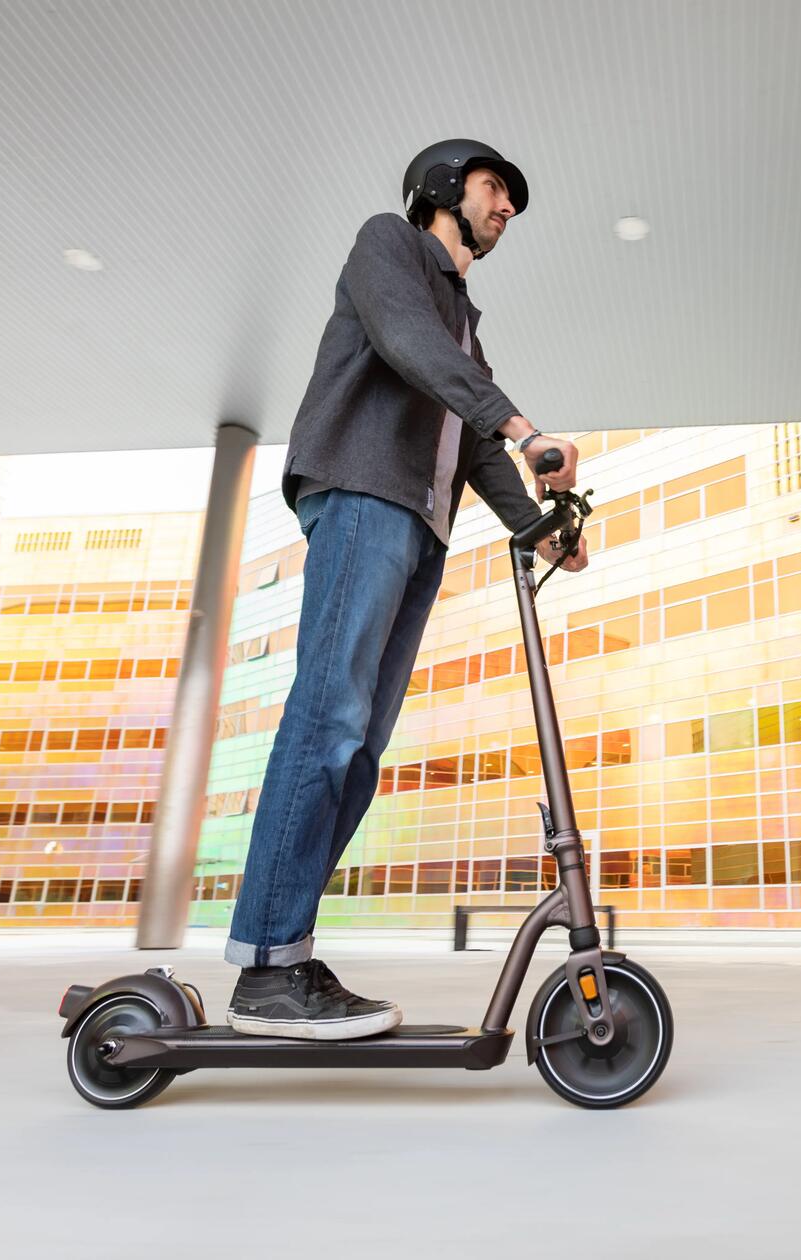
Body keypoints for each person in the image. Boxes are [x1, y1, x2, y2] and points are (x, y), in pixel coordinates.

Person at [224, 140, 586, 1039]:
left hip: (418, 529)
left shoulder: (463, 322)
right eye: (494, 188)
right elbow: (408, 344)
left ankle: (288, 957)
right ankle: (265, 967)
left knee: (360, 748)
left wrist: (542, 528)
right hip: (361, 497)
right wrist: (523, 423)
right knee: (329, 720)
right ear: (442, 188)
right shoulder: (388, 244)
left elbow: (472, 444)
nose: (506, 208)